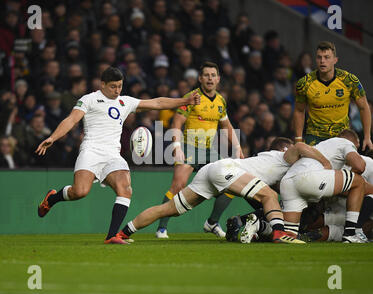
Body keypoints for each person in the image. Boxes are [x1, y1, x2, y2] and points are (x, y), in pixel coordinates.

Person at [35, 67, 200, 244]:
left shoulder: (125, 102)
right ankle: (52, 198)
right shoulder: (89, 99)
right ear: (103, 84)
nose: (117, 90)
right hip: (91, 150)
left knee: (125, 189)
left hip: (113, 155)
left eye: (120, 86)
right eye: (113, 86)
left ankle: (112, 236)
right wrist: (53, 137)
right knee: (80, 191)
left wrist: (186, 100)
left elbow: (157, 103)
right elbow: (71, 119)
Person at [119, 137, 332, 244]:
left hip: (212, 171)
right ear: (284, 149)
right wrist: (325, 163)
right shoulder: (285, 156)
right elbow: (301, 146)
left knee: (168, 209)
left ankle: (123, 232)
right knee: (269, 195)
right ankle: (280, 234)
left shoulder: (268, 161)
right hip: (226, 170)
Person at [155, 61, 243, 239]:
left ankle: (212, 222)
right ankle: (161, 228)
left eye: (213, 75)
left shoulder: (220, 101)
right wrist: (177, 146)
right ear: (200, 78)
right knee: (178, 185)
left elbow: (226, 126)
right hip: (188, 147)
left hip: (209, 151)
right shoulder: (192, 97)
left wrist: (238, 147)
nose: (210, 78)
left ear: (218, 79)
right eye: (206, 75)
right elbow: (177, 122)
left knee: (232, 184)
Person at [278, 129, 370, 243]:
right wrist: (347, 188)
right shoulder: (345, 142)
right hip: (310, 177)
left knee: (288, 236)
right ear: (356, 143)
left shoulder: (322, 146)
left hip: (288, 181)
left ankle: (262, 228)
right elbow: (360, 166)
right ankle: (351, 234)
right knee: (358, 181)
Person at [293, 41, 373, 150]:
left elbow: (364, 107)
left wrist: (367, 137)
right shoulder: (304, 83)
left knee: (355, 166)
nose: (322, 61)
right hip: (315, 137)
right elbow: (299, 110)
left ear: (335, 60)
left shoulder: (349, 80)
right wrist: (298, 139)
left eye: (326, 57)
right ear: (315, 60)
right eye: (319, 57)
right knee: (313, 166)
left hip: (342, 136)